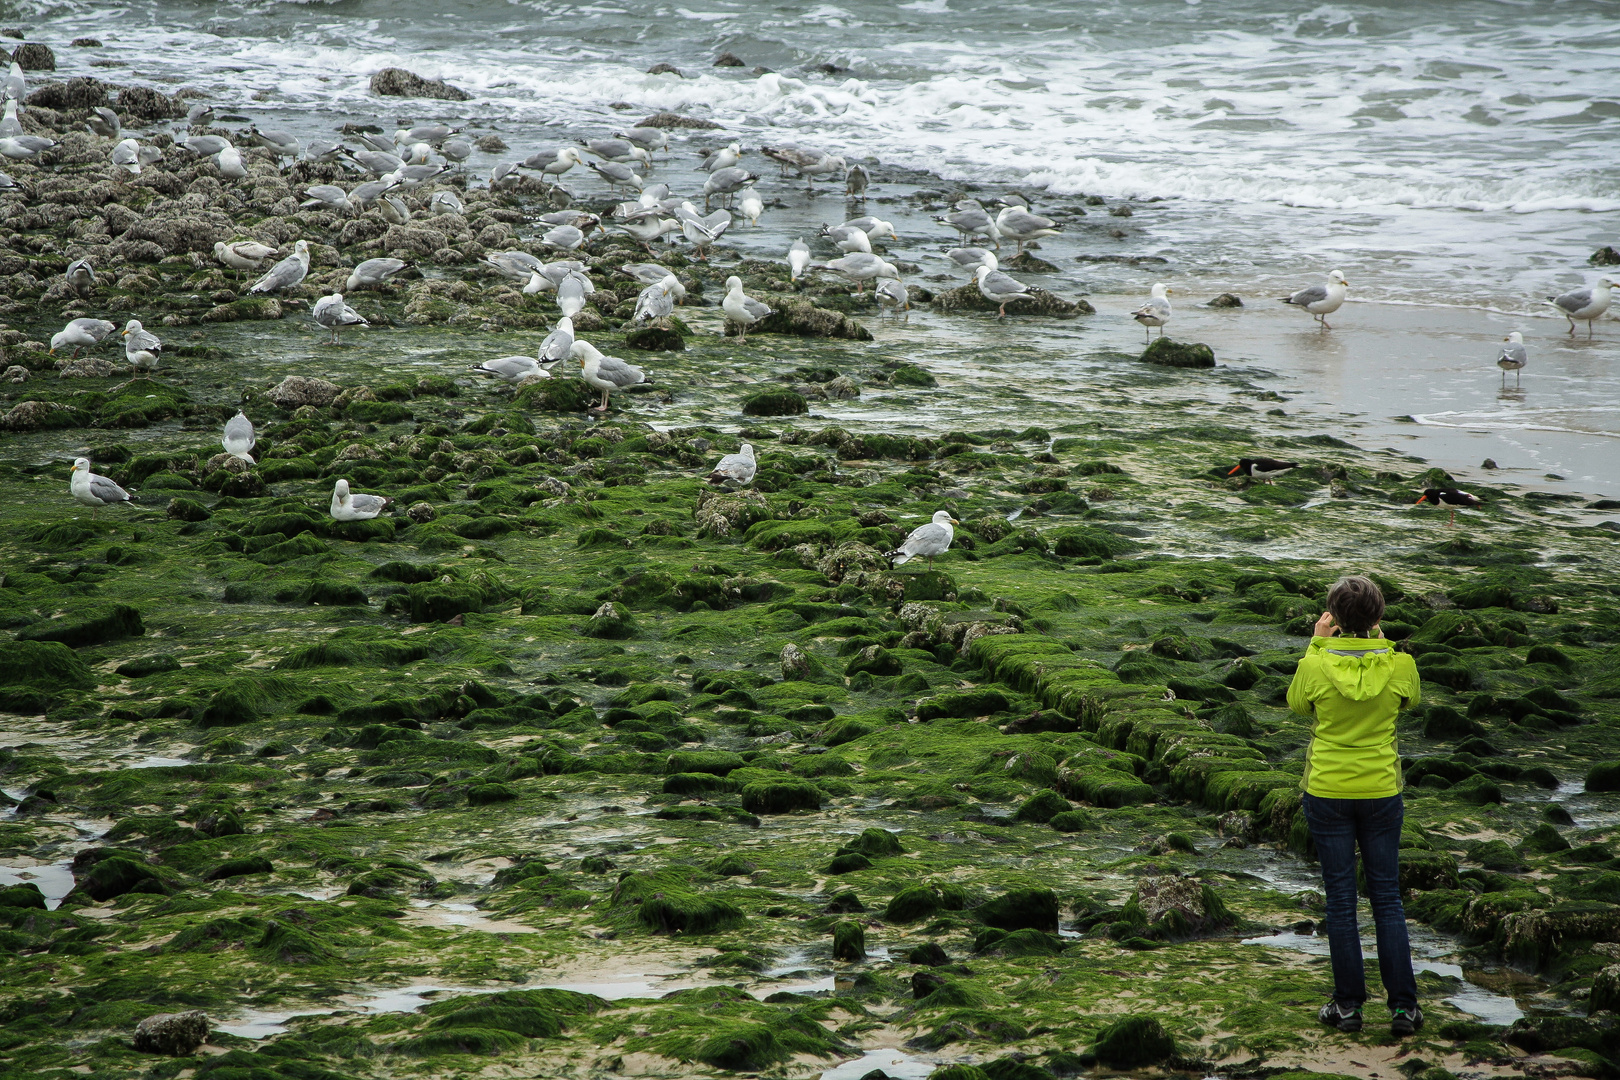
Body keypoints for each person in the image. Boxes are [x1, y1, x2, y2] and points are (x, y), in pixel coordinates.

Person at [1286, 575, 1423, 1036]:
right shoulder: (1400, 664)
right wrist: (1382, 648)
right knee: (1387, 898)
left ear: (1334, 619)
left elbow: (1297, 706)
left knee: (1341, 899)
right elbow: (1411, 702)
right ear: (1378, 619)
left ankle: (1348, 1007)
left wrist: (1315, 647)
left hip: (1327, 790)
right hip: (1382, 790)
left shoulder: (1317, 663)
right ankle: (1404, 1008)